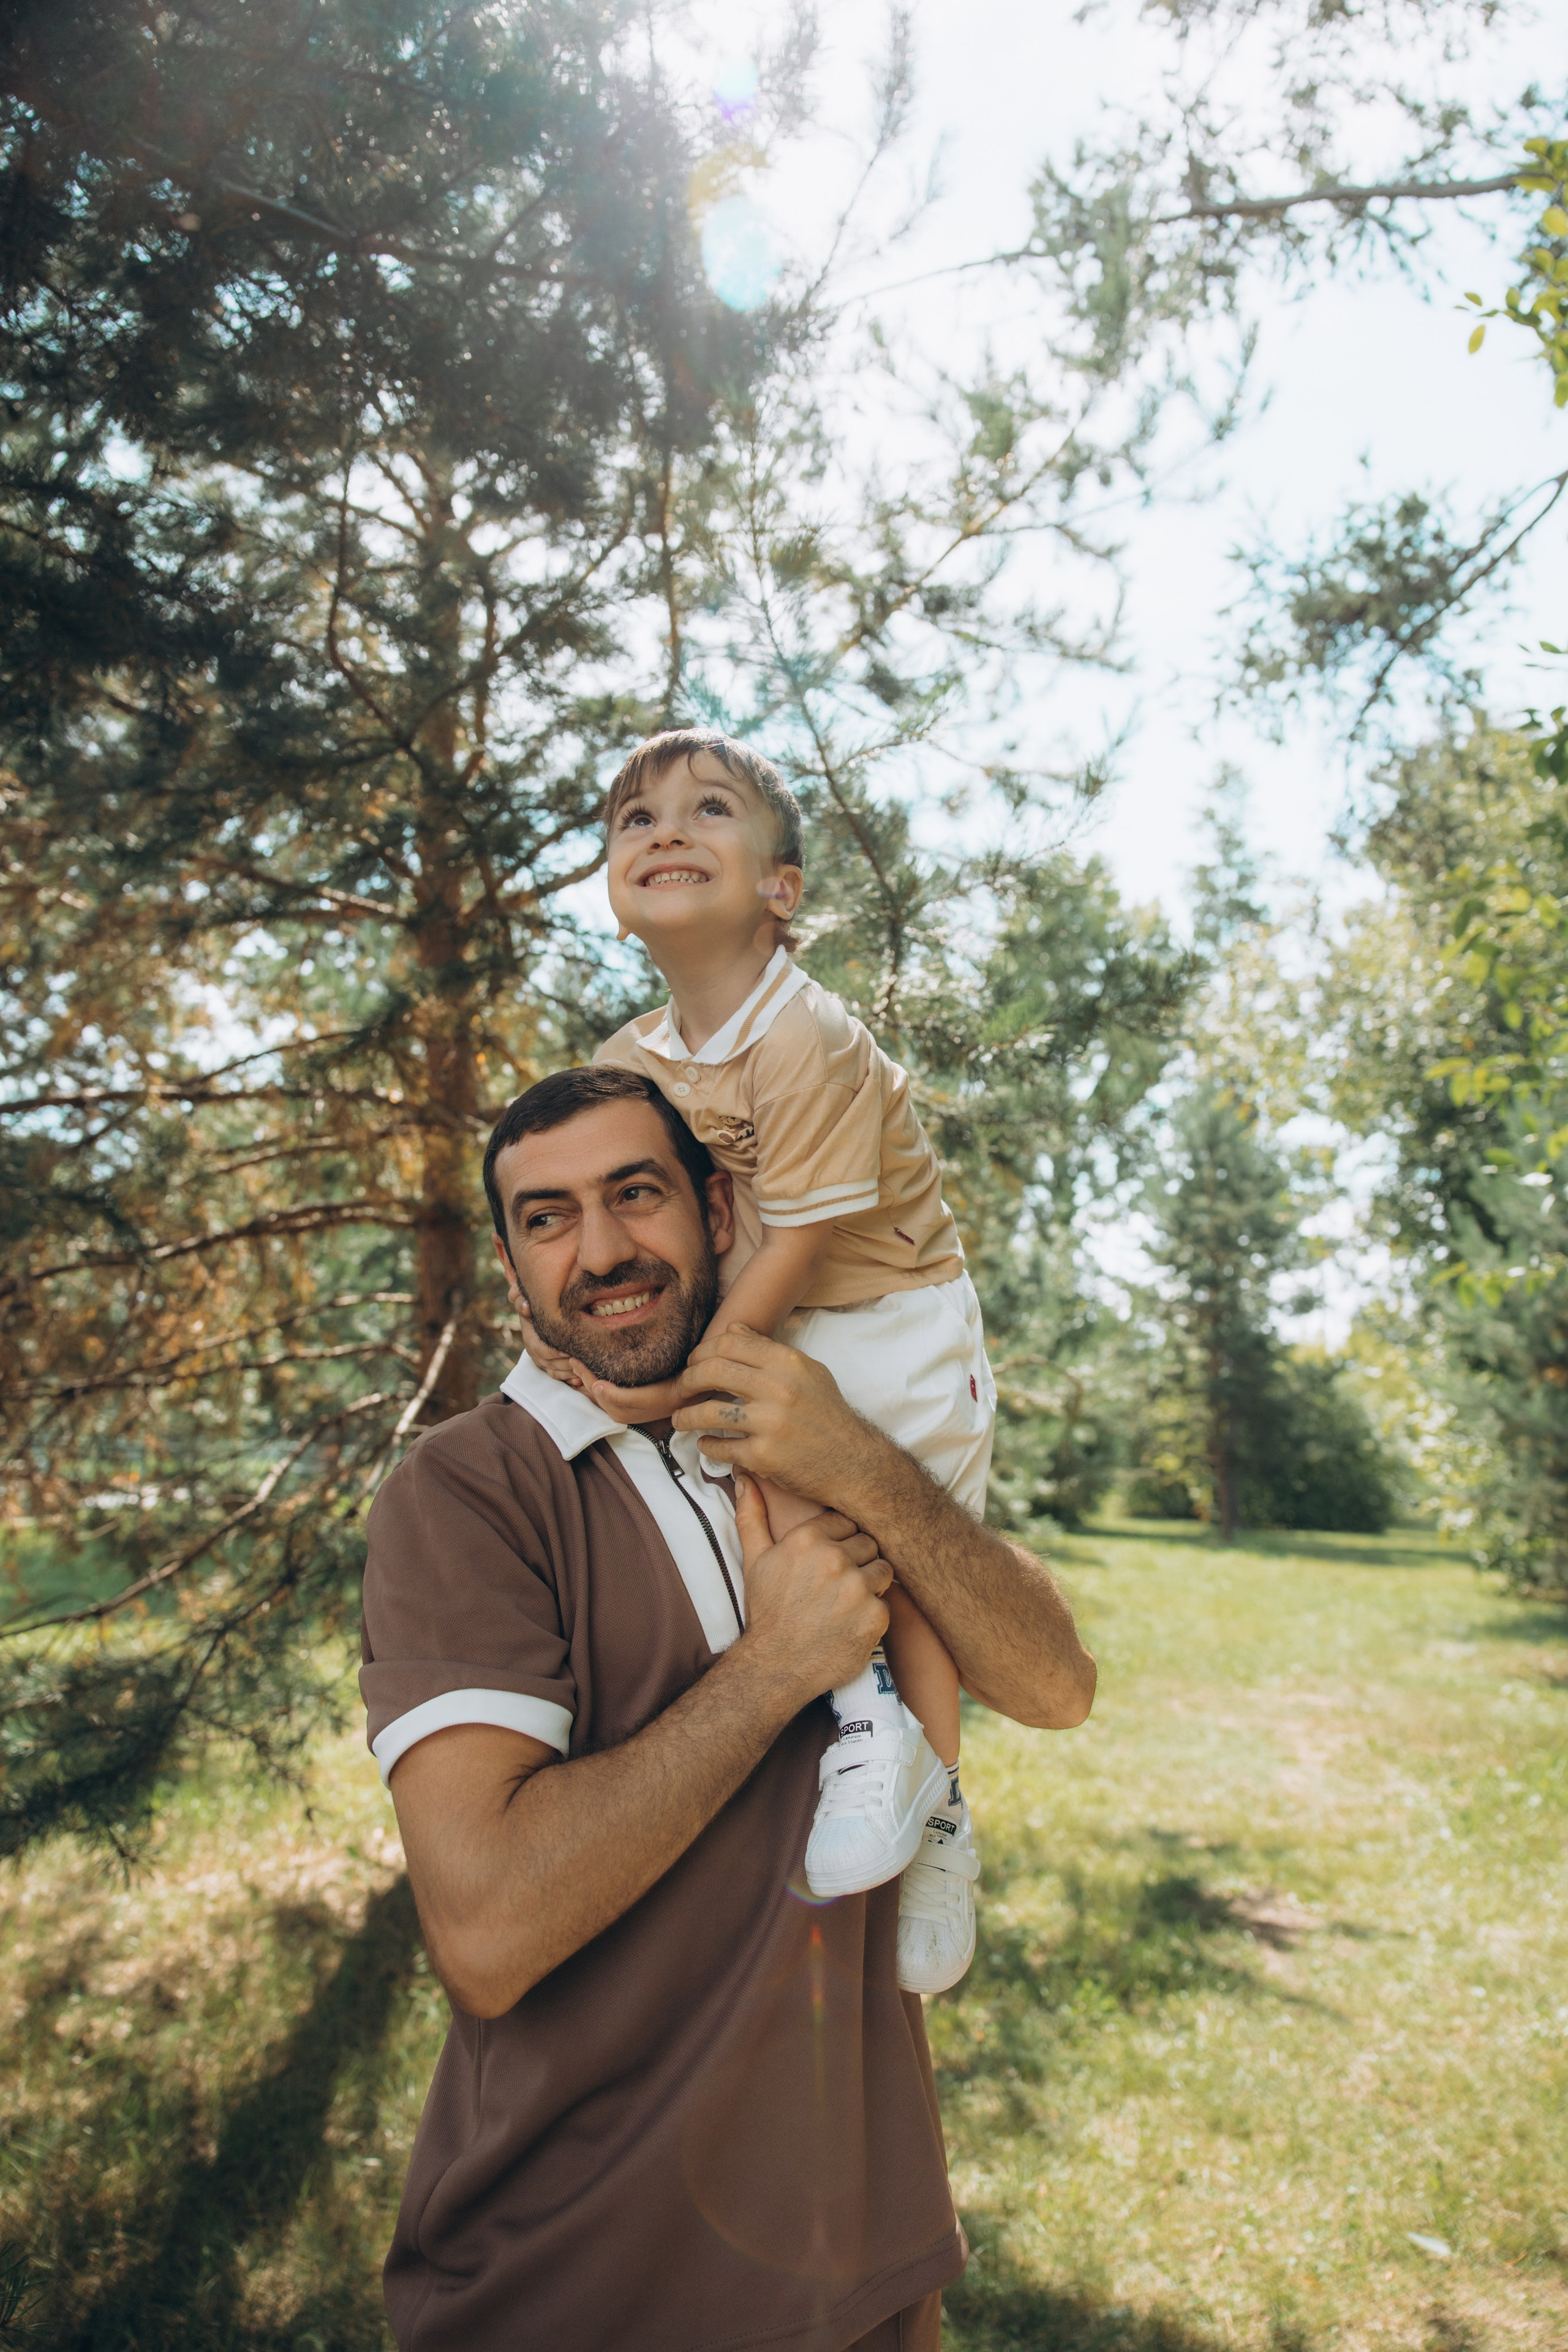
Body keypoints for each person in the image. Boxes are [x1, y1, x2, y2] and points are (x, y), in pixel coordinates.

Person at [361, 1067, 1096, 2351]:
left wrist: (854, 1459)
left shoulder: (813, 1428)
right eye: (547, 1219)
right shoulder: (470, 1492)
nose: (598, 1252)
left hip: (863, 2258)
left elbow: (1052, 1685)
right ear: (512, 1262)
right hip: (576, 2276)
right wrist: (772, 1669)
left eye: (632, 1195)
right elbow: (483, 1928)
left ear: (714, 1210)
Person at [514, 728, 993, 1993]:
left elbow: (787, 1249)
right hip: (781, 1312)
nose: (663, 831)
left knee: (894, 1555)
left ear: (780, 888)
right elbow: (621, 1213)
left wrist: (676, 1381)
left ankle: (934, 1808)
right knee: (754, 1495)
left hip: (893, 1319)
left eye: (706, 809)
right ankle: (864, 1729)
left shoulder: (808, 1040)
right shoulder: (630, 1063)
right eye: (634, 820)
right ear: (614, 892)